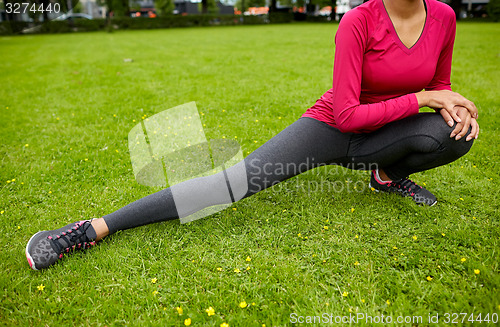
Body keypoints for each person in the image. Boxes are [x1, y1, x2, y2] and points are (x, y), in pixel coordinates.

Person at [26, 0, 479, 270]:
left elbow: (440, 88)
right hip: (333, 127)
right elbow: (347, 115)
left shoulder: (443, 15)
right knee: (234, 183)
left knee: (455, 134)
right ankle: (93, 229)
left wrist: (453, 104)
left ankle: (385, 175)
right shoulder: (358, 21)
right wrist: (421, 99)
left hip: (388, 131)